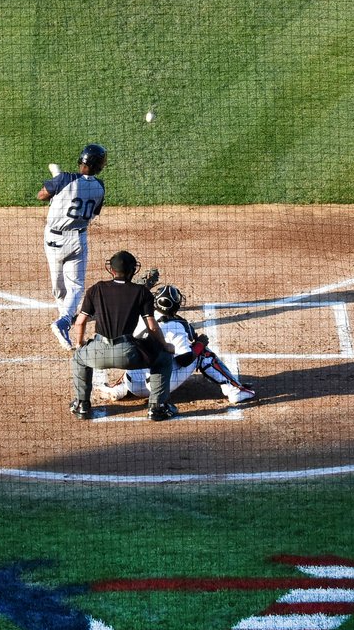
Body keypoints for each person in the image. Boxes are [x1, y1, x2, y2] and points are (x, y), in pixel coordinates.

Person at [98, 280, 257, 407]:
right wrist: (200, 343)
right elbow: (185, 359)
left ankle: (119, 388)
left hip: (133, 382)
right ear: (176, 306)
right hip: (157, 388)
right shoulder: (178, 325)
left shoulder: (139, 315)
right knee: (201, 352)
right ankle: (234, 390)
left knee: (137, 352)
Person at [68, 251, 177, 422]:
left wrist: (80, 344)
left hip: (98, 352)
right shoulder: (142, 292)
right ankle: (157, 408)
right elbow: (152, 327)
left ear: (111, 270)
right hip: (128, 354)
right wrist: (164, 346)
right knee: (163, 358)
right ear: (133, 271)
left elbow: (80, 322)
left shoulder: (96, 289)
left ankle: (82, 405)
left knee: (79, 359)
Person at [38, 143, 107, 350]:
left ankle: (63, 319)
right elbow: (93, 214)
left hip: (54, 240)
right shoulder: (100, 187)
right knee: (75, 286)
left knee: (58, 286)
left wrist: (56, 193)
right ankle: (64, 320)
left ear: (81, 162)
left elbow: (41, 195)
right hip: (78, 239)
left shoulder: (64, 179)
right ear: (99, 167)